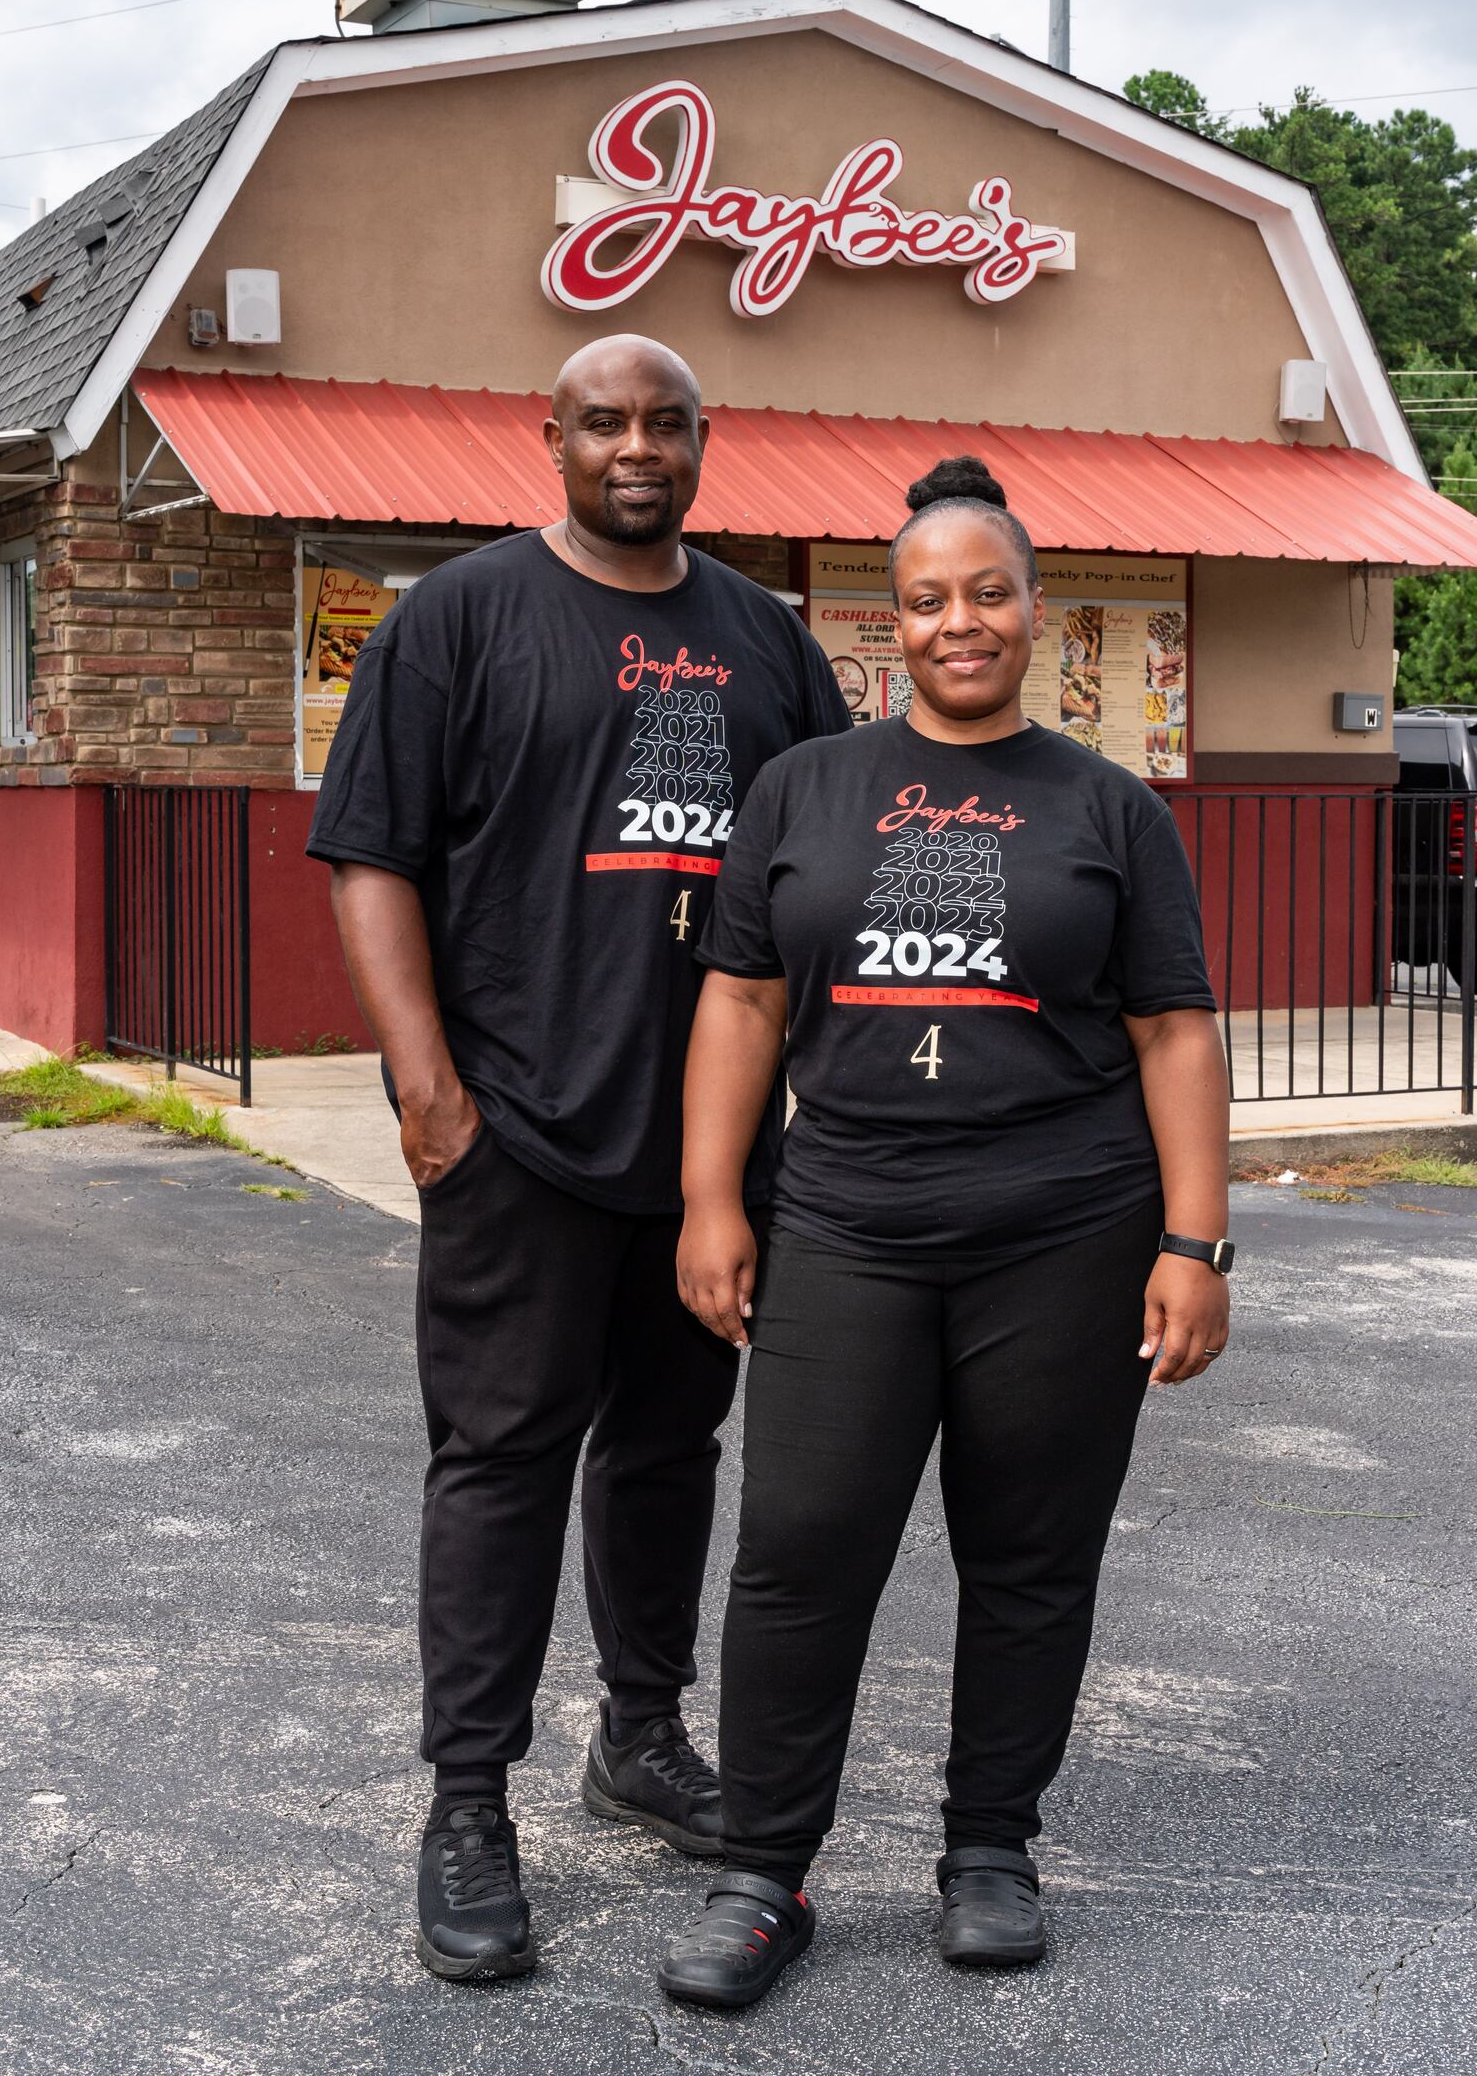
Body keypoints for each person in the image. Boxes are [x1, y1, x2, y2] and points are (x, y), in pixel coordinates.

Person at [306, 334, 850, 1984]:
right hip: (519, 1130)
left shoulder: (768, 641)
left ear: (703, 441)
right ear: (549, 440)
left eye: (664, 423)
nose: (636, 447)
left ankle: (643, 1731)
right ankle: (468, 1802)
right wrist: (428, 1096)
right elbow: (371, 857)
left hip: (707, 1153)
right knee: (499, 1462)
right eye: (603, 421)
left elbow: (825, 865)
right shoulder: (456, 619)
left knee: (670, 1450)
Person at [656, 457, 1232, 2009]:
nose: (957, 622)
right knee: (797, 1549)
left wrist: (1197, 1243)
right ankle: (761, 1875)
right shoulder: (805, 789)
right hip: (848, 1224)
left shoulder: (1109, 807)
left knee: (1031, 1556)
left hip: (1065, 1233)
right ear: (886, 624)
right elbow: (744, 998)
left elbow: (1174, 1027)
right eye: (925, 599)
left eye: (987, 593)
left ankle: (990, 1850)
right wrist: (714, 1195)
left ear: (1035, 612)